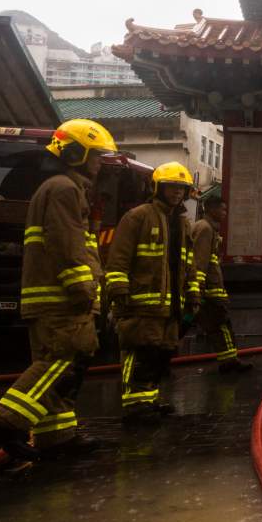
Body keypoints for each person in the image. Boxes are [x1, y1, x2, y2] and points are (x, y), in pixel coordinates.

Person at [0, 119, 117, 461]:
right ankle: (2, 423)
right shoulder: (65, 189)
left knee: (56, 362)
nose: (99, 163)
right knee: (62, 358)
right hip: (62, 299)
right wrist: (85, 291)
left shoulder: (55, 187)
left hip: (49, 298)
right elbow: (68, 245)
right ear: (74, 153)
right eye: (95, 155)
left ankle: (57, 437)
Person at [105, 162, 201, 422]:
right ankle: (134, 406)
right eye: (171, 187)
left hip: (169, 304)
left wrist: (193, 293)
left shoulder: (182, 224)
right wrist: (118, 287)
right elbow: (119, 257)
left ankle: (149, 400)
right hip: (140, 301)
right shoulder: (138, 216)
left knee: (161, 354)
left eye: (182, 189)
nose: (177, 193)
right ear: (157, 188)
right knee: (139, 353)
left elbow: (187, 263)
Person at [191, 196, 252, 374]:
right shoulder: (205, 228)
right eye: (222, 209)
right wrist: (199, 289)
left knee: (216, 327)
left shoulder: (207, 227)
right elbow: (200, 261)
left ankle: (229, 361)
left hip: (208, 289)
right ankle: (230, 362)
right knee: (222, 325)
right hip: (210, 291)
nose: (225, 213)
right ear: (211, 209)